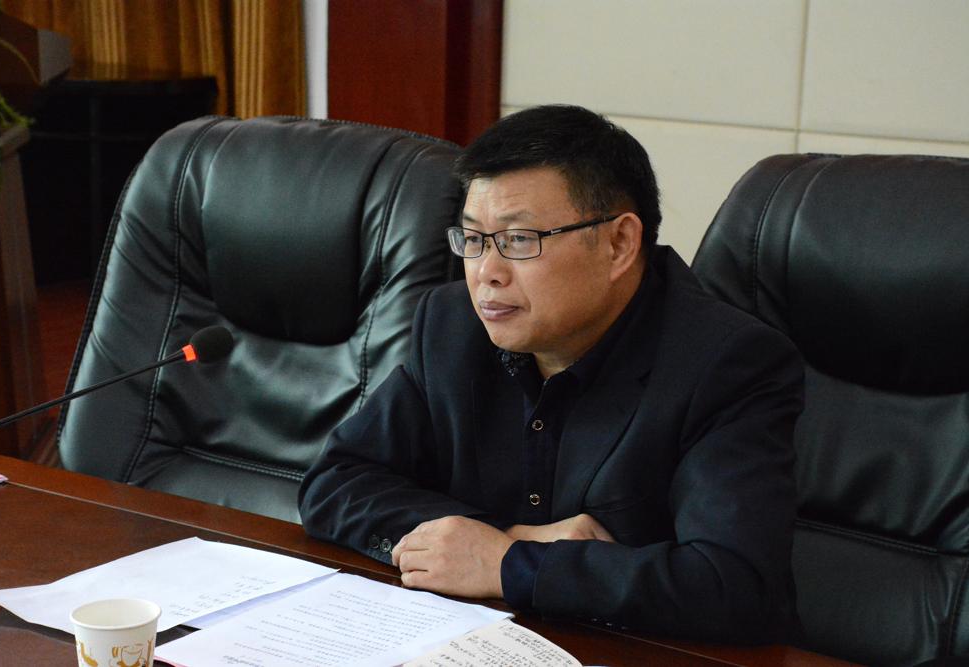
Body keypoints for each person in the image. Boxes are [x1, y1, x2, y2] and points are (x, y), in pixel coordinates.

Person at [298, 104, 803, 643]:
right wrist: (510, 541)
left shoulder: (726, 363)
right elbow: (336, 482)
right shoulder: (452, 324)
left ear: (619, 244)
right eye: (473, 239)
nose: (486, 274)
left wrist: (511, 566)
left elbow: (734, 587)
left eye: (519, 240)